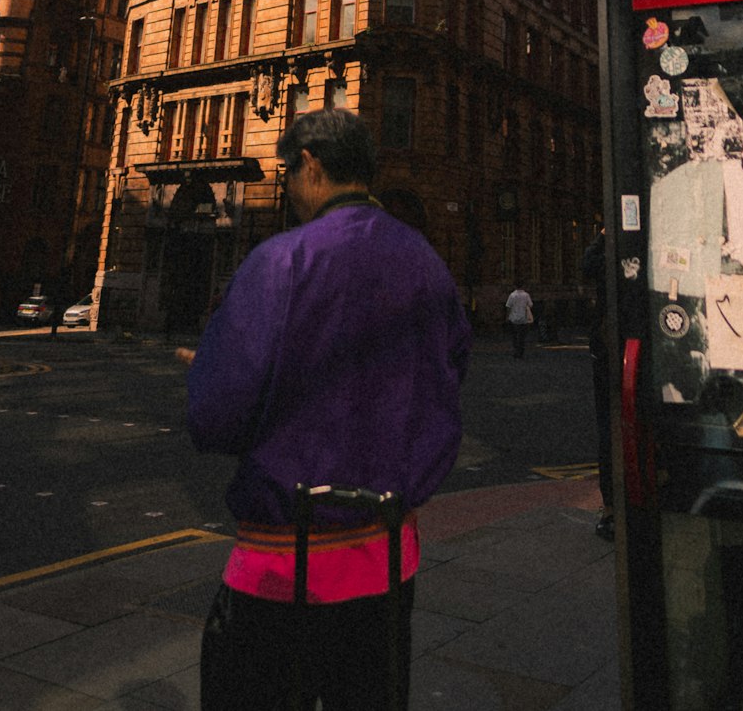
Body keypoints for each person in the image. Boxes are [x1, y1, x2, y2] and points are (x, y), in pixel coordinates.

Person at [185, 108, 472, 710]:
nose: (287, 187)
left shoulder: (281, 261)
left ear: (311, 166)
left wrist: (217, 373)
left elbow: (214, 415)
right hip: (389, 561)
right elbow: (448, 380)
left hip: (282, 565)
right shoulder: (426, 262)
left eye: (288, 171)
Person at [582, 226, 614, 539]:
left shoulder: (607, 246)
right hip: (611, 345)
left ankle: (611, 510)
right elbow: (587, 266)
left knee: (608, 431)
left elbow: (588, 264)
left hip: (608, 345)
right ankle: (612, 507)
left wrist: (603, 235)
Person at [505, 281, 533, 357]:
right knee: (522, 336)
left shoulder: (512, 295)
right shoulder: (526, 295)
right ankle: (521, 351)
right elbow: (530, 305)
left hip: (513, 318)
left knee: (514, 336)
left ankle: (516, 350)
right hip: (523, 318)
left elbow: (508, 306)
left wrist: (507, 317)